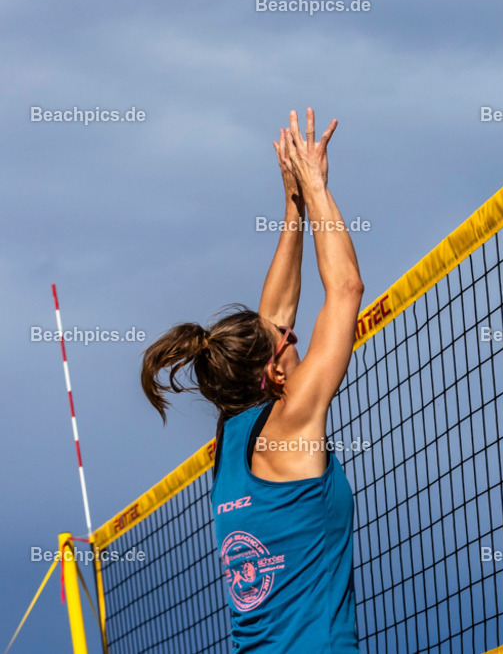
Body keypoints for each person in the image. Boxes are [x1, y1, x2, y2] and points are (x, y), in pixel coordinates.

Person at [141, 108, 364, 652]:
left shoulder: (231, 439)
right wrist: (315, 187)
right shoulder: (292, 423)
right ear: (270, 372)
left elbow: (276, 314)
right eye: (285, 341)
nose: (292, 337)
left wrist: (292, 209)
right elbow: (346, 291)